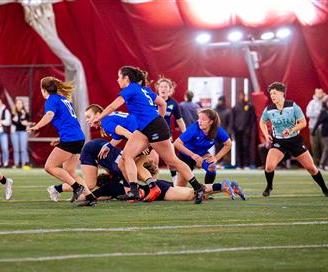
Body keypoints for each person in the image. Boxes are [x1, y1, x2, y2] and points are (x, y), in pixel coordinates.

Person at [91, 66, 206, 203]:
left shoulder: (131, 89)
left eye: (119, 77)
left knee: (172, 161)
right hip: (146, 128)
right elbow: (162, 103)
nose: (117, 80)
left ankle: (198, 188)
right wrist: (161, 119)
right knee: (126, 157)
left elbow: (111, 107)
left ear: (126, 78)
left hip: (154, 127)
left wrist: (99, 118)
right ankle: (133, 190)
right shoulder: (143, 89)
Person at [259, 82, 328, 197]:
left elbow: (303, 123)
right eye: (271, 93)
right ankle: (269, 186)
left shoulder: (293, 106)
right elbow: (262, 122)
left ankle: (325, 189)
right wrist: (266, 134)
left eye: (274, 93)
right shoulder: (269, 109)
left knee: (311, 168)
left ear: (282, 93)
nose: (272, 96)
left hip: (294, 140)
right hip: (279, 142)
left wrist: (291, 130)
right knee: (269, 167)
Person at [27, 76, 87, 202]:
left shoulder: (52, 100)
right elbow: (69, 122)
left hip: (70, 139)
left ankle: (77, 187)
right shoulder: (63, 99)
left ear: (44, 90)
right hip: (78, 137)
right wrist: (60, 139)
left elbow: (49, 114)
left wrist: (36, 126)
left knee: (49, 166)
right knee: (71, 172)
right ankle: (90, 197)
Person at [77, 167, 247, 206]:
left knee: (190, 194)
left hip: (159, 191)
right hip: (159, 186)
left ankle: (224, 186)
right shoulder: (117, 184)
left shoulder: (109, 188)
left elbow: (88, 197)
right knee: (195, 192)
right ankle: (225, 186)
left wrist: (79, 188)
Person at [47, 138, 152, 202]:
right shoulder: (125, 169)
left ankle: (60, 189)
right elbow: (127, 194)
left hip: (101, 146)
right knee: (90, 184)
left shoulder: (127, 164)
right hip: (91, 151)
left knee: (94, 185)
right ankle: (56, 188)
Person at [174, 109, 232, 185]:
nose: (199, 121)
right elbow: (177, 143)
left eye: (203, 119)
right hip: (186, 156)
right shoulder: (194, 128)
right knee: (180, 189)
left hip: (202, 154)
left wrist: (216, 158)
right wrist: (193, 155)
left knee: (211, 166)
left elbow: (228, 144)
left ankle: (207, 192)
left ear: (211, 122)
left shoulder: (217, 130)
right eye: (199, 118)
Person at [155, 77, 186, 182]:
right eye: (161, 87)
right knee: (151, 159)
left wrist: (186, 135)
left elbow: (179, 120)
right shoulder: (152, 100)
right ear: (158, 89)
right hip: (150, 134)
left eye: (166, 87)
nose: (163, 89)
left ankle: (175, 181)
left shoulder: (174, 104)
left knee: (171, 160)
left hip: (165, 135)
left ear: (170, 90)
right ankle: (152, 183)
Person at [232, 91, 256, 169]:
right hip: (237, 130)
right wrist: (233, 129)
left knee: (246, 147)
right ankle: (239, 164)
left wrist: (249, 128)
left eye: (242, 95)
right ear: (238, 96)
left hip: (246, 130)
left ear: (244, 96)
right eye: (240, 95)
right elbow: (233, 119)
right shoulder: (235, 106)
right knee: (238, 147)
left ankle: (246, 164)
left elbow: (252, 118)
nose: (241, 96)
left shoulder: (249, 105)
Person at [306, 88, 328, 166]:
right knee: (314, 146)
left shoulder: (326, 102)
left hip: (324, 127)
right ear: (315, 93)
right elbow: (308, 113)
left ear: (323, 93)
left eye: (320, 92)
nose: (319, 94)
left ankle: (324, 164)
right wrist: (320, 114)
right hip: (313, 127)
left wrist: (317, 113)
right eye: (317, 92)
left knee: (324, 146)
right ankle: (315, 164)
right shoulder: (311, 103)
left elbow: (327, 114)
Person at [313, 96, 328, 169]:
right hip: (326, 134)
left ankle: (322, 165)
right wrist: (313, 131)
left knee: (327, 150)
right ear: (327, 102)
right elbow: (318, 122)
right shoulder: (323, 111)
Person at [11, 99, 30, 168]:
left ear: (22, 105)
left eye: (20, 103)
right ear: (16, 105)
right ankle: (16, 164)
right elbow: (13, 122)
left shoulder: (26, 113)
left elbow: (26, 123)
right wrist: (20, 121)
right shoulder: (13, 113)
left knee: (23, 149)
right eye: (17, 103)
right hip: (15, 132)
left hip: (23, 132)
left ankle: (23, 164)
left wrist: (23, 117)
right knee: (16, 149)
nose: (19, 105)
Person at [214, 95, 232, 167]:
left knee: (226, 148)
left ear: (224, 102)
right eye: (219, 100)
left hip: (225, 133)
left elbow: (230, 123)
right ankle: (217, 162)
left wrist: (228, 133)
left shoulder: (228, 111)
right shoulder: (215, 111)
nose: (220, 102)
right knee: (217, 147)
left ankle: (226, 163)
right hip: (216, 133)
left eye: (221, 100)